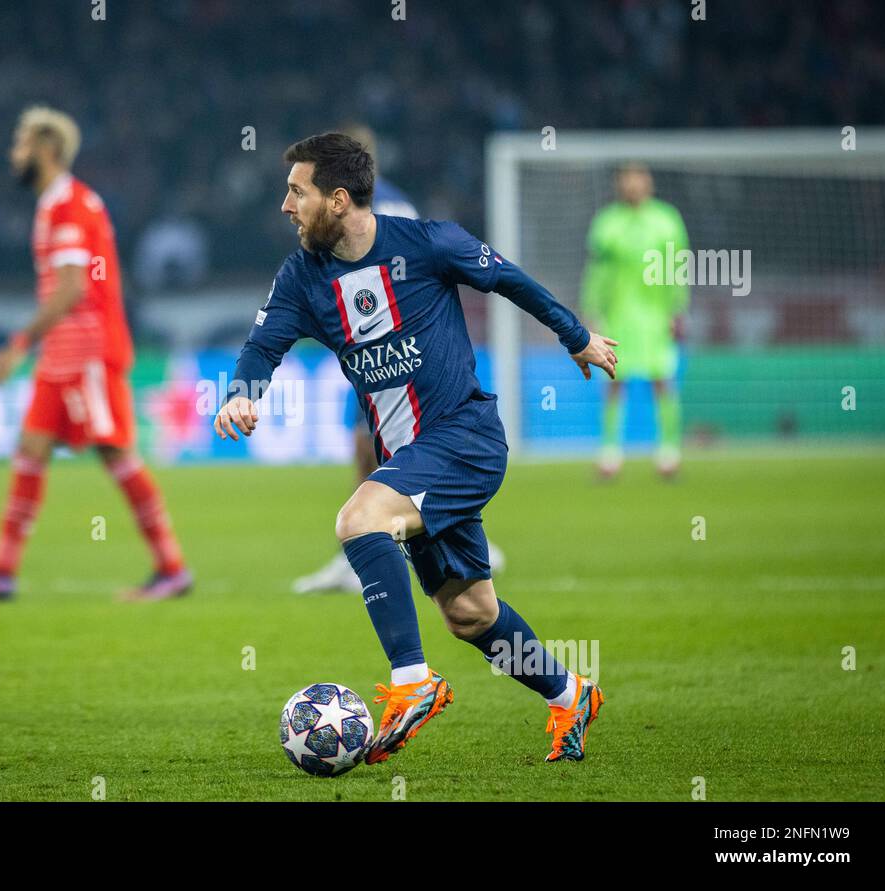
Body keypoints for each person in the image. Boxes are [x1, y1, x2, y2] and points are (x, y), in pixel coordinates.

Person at [215, 134, 617, 763]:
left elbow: (509, 280)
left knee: (358, 518)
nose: (285, 205)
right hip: (409, 457)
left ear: (339, 199)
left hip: (464, 438)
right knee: (471, 614)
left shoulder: (429, 243)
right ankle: (570, 694)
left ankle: (412, 682)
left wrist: (575, 336)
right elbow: (261, 347)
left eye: (297, 191)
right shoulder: (303, 276)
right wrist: (242, 392)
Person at [0, 106, 191, 602]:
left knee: (116, 452)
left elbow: (74, 288)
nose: (14, 154)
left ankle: (171, 568)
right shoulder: (54, 204)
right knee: (30, 451)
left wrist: (17, 344)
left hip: (89, 352)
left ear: (48, 149)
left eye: (21, 144)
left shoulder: (72, 205)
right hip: (61, 354)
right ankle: (1, 571)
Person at [292, 124, 504, 595]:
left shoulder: (389, 206)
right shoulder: (360, 205)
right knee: (369, 444)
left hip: (399, 352)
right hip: (368, 353)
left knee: (391, 444)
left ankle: (400, 534)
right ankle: (376, 534)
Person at [581, 163, 690, 478]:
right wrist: (592, 310)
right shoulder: (606, 223)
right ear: (620, 185)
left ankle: (669, 453)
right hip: (618, 317)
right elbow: (596, 272)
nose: (633, 186)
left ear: (649, 183)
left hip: (656, 317)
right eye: (627, 180)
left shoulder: (667, 220)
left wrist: (677, 310)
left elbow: (678, 269)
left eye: (638, 179)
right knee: (614, 381)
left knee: (663, 380)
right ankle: (610, 454)